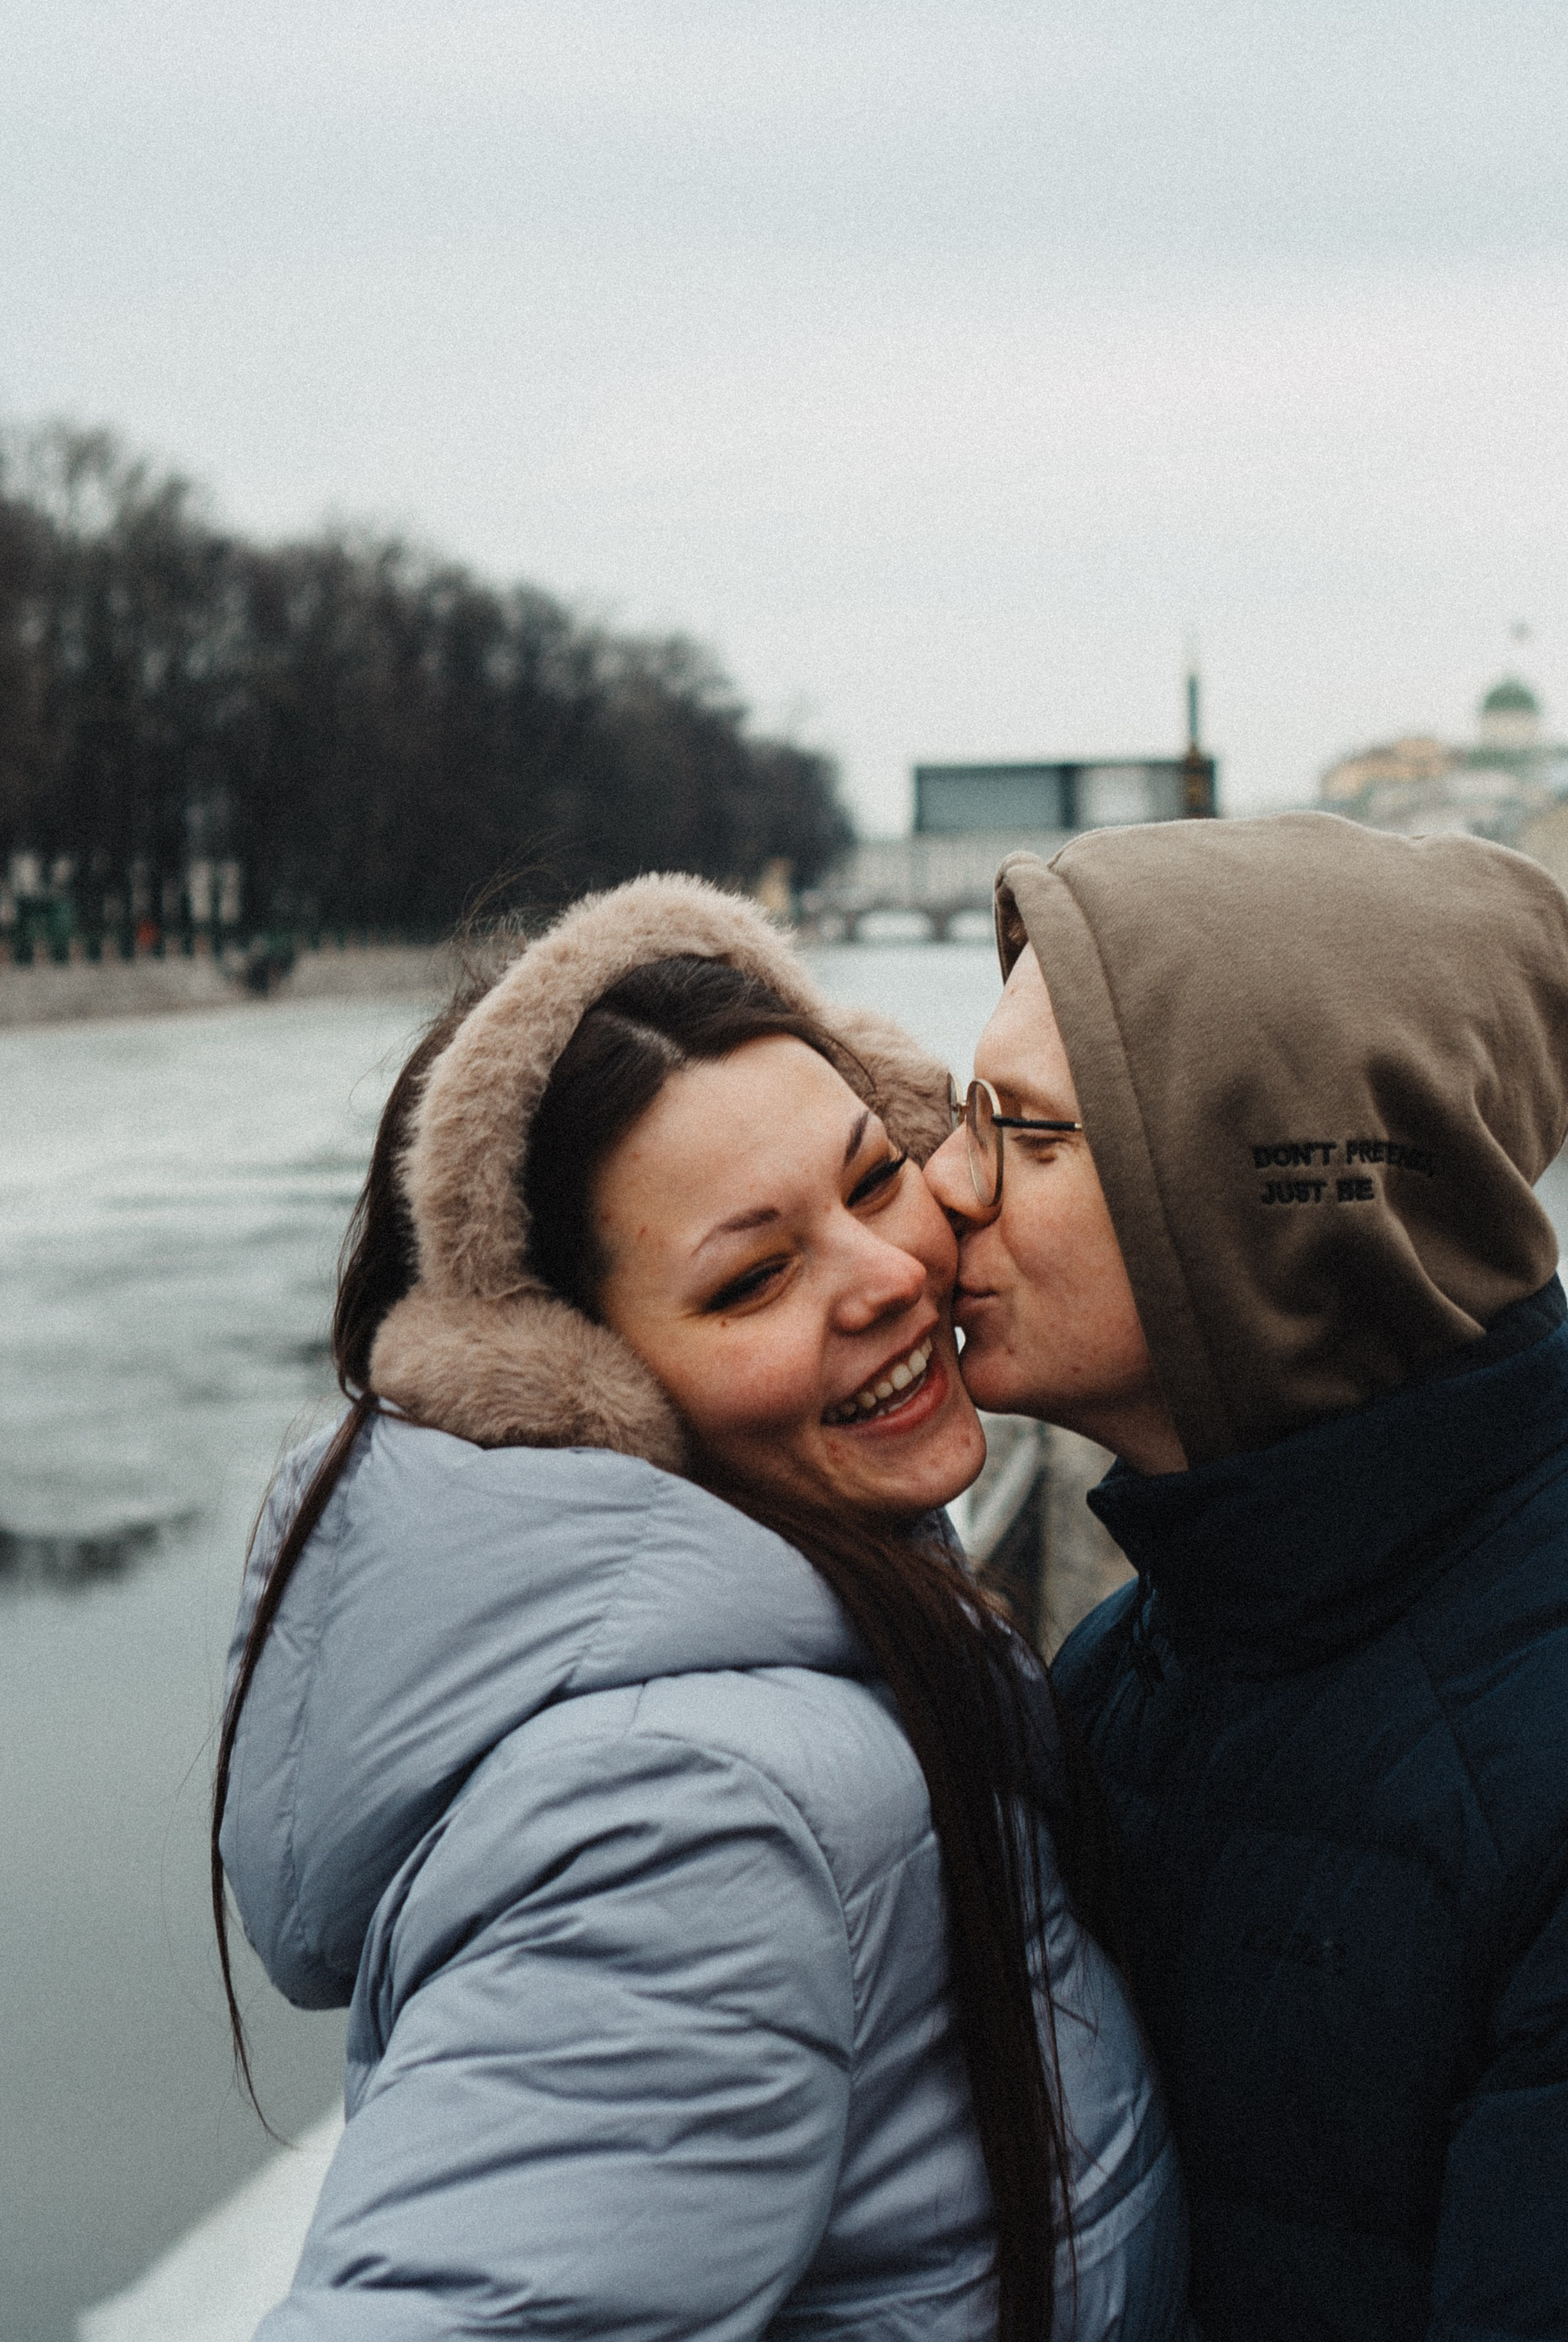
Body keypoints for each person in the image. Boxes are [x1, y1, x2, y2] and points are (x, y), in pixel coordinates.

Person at [214, 875, 1189, 2342]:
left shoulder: (823, 1678)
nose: (890, 1276)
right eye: (751, 1278)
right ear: (581, 1395)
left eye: (872, 1180)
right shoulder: (698, 1821)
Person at [923, 812, 1568, 2342]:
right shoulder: (1132, 1663)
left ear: (1263, 1201)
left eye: (1028, 1132)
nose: (944, 1187)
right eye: (958, 1111)